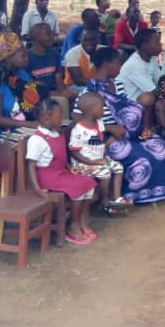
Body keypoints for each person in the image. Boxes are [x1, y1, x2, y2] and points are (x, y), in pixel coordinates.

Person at [83, 47, 165, 203]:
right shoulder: (89, 91)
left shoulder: (118, 85)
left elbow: (128, 111)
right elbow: (80, 120)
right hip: (105, 138)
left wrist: (143, 128)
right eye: (118, 63)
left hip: (127, 132)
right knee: (142, 156)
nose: (120, 67)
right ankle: (135, 195)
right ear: (106, 65)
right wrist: (109, 128)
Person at [25, 99, 98, 245]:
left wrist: (69, 167)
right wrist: (37, 189)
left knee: (88, 182)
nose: (62, 120)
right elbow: (31, 165)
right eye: (59, 117)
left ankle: (82, 221)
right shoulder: (36, 139)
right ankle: (72, 226)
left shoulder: (58, 134)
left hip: (60, 173)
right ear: (46, 118)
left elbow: (60, 157)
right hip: (47, 178)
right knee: (78, 186)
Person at [68, 92, 132, 211]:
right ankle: (104, 201)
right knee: (105, 173)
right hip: (82, 165)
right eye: (101, 107)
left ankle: (116, 198)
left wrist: (111, 140)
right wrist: (90, 162)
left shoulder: (99, 123)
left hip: (98, 160)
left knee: (118, 167)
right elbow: (73, 152)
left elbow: (99, 142)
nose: (104, 110)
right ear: (90, 110)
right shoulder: (79, 130)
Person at [0, 32, 41, 145]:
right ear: (8, 58)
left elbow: (32, 101)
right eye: (23, 56)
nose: (27, 59)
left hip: (26, 124)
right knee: (43, 138)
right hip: (3, 132)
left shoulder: (21, 74)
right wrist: (30, 124)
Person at [26, 23, 66, 111]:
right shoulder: (26, 58)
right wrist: (55, 94)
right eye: (48, 34)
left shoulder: (54, 53)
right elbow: (30, 84)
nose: (52, 37)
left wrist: (64, 92)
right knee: (62, 101)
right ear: (36, 37)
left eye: (52, 33)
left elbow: (58, 79)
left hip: (54, 91)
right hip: (37, 94)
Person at [114, 28, 162, 101]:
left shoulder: (152, 59)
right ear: (144, 45)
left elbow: (161, 81)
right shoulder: (134, 65)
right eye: (157, 42)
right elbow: (154, 91)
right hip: (128, 102)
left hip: (142, 99)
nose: (160, 45)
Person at [63, 29, 104, 94]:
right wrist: (100, 85)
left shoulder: (104, 51)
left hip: (97, 84)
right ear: (80, 39)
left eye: (92, 40)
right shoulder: (72, 53)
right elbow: (78, 80)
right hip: (74, 86)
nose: (89, 43)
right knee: (98, 93)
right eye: (85, 40)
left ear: (97, 40)